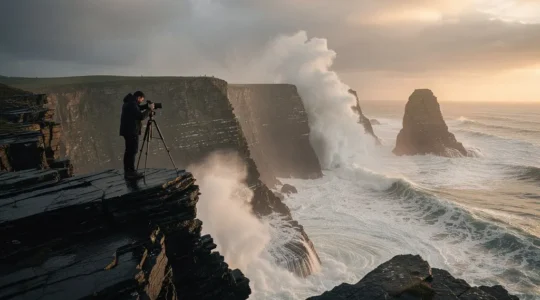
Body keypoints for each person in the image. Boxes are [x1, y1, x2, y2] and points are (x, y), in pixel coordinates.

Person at [119, 91, 154, 179]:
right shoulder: (132, 104)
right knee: (133, 151)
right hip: (131, 131)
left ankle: (127, 171)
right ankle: (131, 172)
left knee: (128, 151)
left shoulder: (129, 102)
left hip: (126, 131)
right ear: (139, 97)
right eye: (141, 100)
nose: (141, 102)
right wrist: (149, 109)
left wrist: (146, 106)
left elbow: (138, 108)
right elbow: (140, 116)